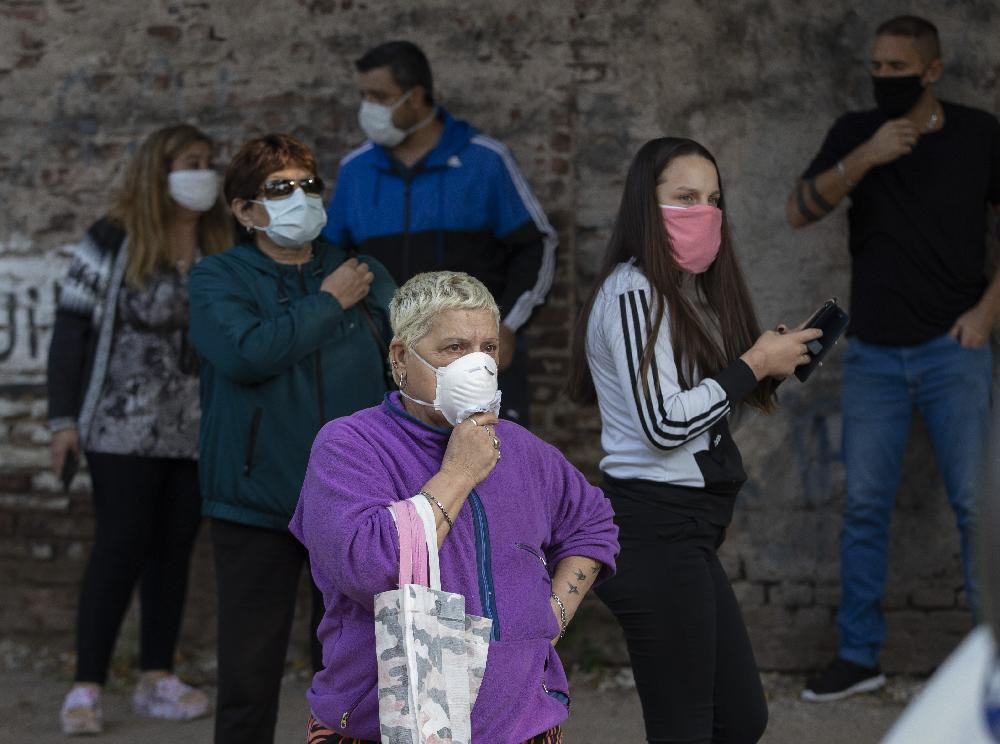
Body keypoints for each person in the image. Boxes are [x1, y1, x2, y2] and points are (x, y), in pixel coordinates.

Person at [290, 271, 619, 743]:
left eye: (488, 348)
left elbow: (593, 523)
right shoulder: (350, 446)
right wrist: (459, 473)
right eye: (454, 348)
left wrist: (551, 618)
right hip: (382, 729)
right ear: (401, 358)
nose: (477, 364)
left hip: (522, 725)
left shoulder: (522, 450)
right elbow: (373, 569)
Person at [569, 137, 822, 743]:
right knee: (687, 728)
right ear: (644, 207)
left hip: (689, 531)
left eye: (713, 199)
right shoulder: (633, 294)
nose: (703, 211)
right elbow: (663, 428)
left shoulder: (675, 295)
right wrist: (751, 365)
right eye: (684, 197)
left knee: (738, 718)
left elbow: (695, 427)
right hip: (653, 530)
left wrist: (764, 370)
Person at [786, 15, 1000, 702]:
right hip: (874, 354)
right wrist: (866, 158)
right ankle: (859, 657)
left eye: (897, 69)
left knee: (975, 508)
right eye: (876, 68)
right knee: (865, 509)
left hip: (953, 351)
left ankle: (992, 660)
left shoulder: (978, 134)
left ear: (932, 71)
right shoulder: (855, 133)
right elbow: (798, 210)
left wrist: (986, 315)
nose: (883, 80)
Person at [187, 133, 396, 744]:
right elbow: (246, 353)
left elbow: (409, 360)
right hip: (256, 500)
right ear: (244, 209)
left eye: (308, 184)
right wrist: (328, 305)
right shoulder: (217, 278)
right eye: (281, 188)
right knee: (250, 675)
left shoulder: (362, 272)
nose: (300, 197)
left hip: (351, 505)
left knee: (353, 675)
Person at [47, 123, 232, 735]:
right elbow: (71, 329)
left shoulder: (219, 239)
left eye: (208, 161)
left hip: (196, 426)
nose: (201, 171)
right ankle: (86, 686)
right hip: (120, 425)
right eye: (188, 161)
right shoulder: (113, 238)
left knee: (174, 548)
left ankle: (157, 676)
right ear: (159, 170)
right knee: (120, 545)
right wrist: (63, 420)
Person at [322, 40, 556, 427]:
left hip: (471, 360)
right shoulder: (355, 170)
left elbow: (537, 245)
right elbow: (332, 260)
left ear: (415, 98)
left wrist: (510, 324)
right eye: (363, 96)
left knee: (489, 469)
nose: (368, 108)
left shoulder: (484, 161)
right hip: (384, 364)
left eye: (380, 96)